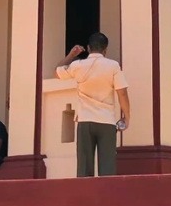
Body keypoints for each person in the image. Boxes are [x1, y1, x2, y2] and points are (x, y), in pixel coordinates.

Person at [55, 32, 130, 177]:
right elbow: (122, 94)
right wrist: (126, 117)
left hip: (85, 121)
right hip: (107, 122)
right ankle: (106, 198)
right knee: (107, 168)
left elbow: (57, 72)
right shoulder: (113, 66)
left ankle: (85, 198)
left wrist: (71, 55)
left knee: (84, 168)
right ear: (105, 50)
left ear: (88, 48)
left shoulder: (78, 65)